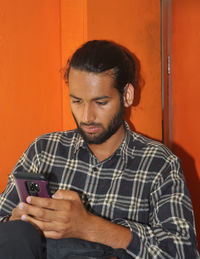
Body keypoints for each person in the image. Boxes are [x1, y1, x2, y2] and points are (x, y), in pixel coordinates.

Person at [0, 40, 199, 259]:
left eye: (100, 102)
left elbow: (183, 252)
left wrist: (91, 227)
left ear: (127, 95)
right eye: (76, 101)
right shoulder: (44, 150)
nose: (86, 117)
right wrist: (17, 222)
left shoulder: (159, 163)